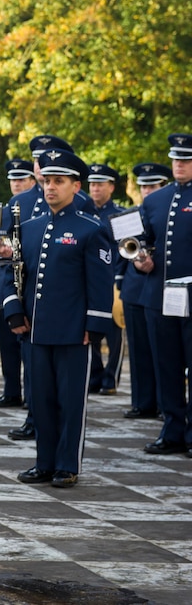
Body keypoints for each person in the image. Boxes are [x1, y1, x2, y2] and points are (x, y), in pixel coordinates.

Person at [4, 149, 113, 488]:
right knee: (42, 400)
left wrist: (94, 327)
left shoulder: (90, 229)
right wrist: (14, 311)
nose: (50, 187)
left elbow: (100, 285)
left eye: (59, 182)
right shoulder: (31, 228)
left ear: (75, 186)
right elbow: (16, 274)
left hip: (72, 332)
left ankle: (67, 465)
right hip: (36, 330)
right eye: (47, 181)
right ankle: (44, 462)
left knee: (69, 402)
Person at [133, 133, 192, 456]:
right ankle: (172, 430)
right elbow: (142, 240)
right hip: (158, 296)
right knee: (165, 365)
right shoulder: (155, 199)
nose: (179, 164)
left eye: (186, 159)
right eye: (176, 158)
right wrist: (141, 260)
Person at [120, 163, 170, 420]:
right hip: (133, 287)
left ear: (162, 187)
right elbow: (121, 252)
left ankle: (164, 403)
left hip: (158, 289)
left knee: (161, 351)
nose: (148, 190)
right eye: (144, 186)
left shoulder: (167, 211)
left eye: (153, 186)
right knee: (138, 350)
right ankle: (142, 401)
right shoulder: (131, 215)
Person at [0, 158, 35, 410]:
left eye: (21, 179)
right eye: (13, 180)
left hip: (27, 279)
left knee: (27, 344)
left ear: (32, 180)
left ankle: (31, 394)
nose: (16, 184)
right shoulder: (8, 208)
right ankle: (11, 390)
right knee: (6, 342)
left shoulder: (36, 206)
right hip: (5, 280)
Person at [83, 163, 124, 395]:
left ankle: (111, 379)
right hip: (91, 281)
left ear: (111, 187)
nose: (95, 188)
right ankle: (95, 375)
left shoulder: (118, 213)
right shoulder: (85, 212)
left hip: (114, 279)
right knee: (92, 331)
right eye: (93, 184)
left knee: (115, 333)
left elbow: (127, 248)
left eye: (100, 184)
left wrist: (118, 279)